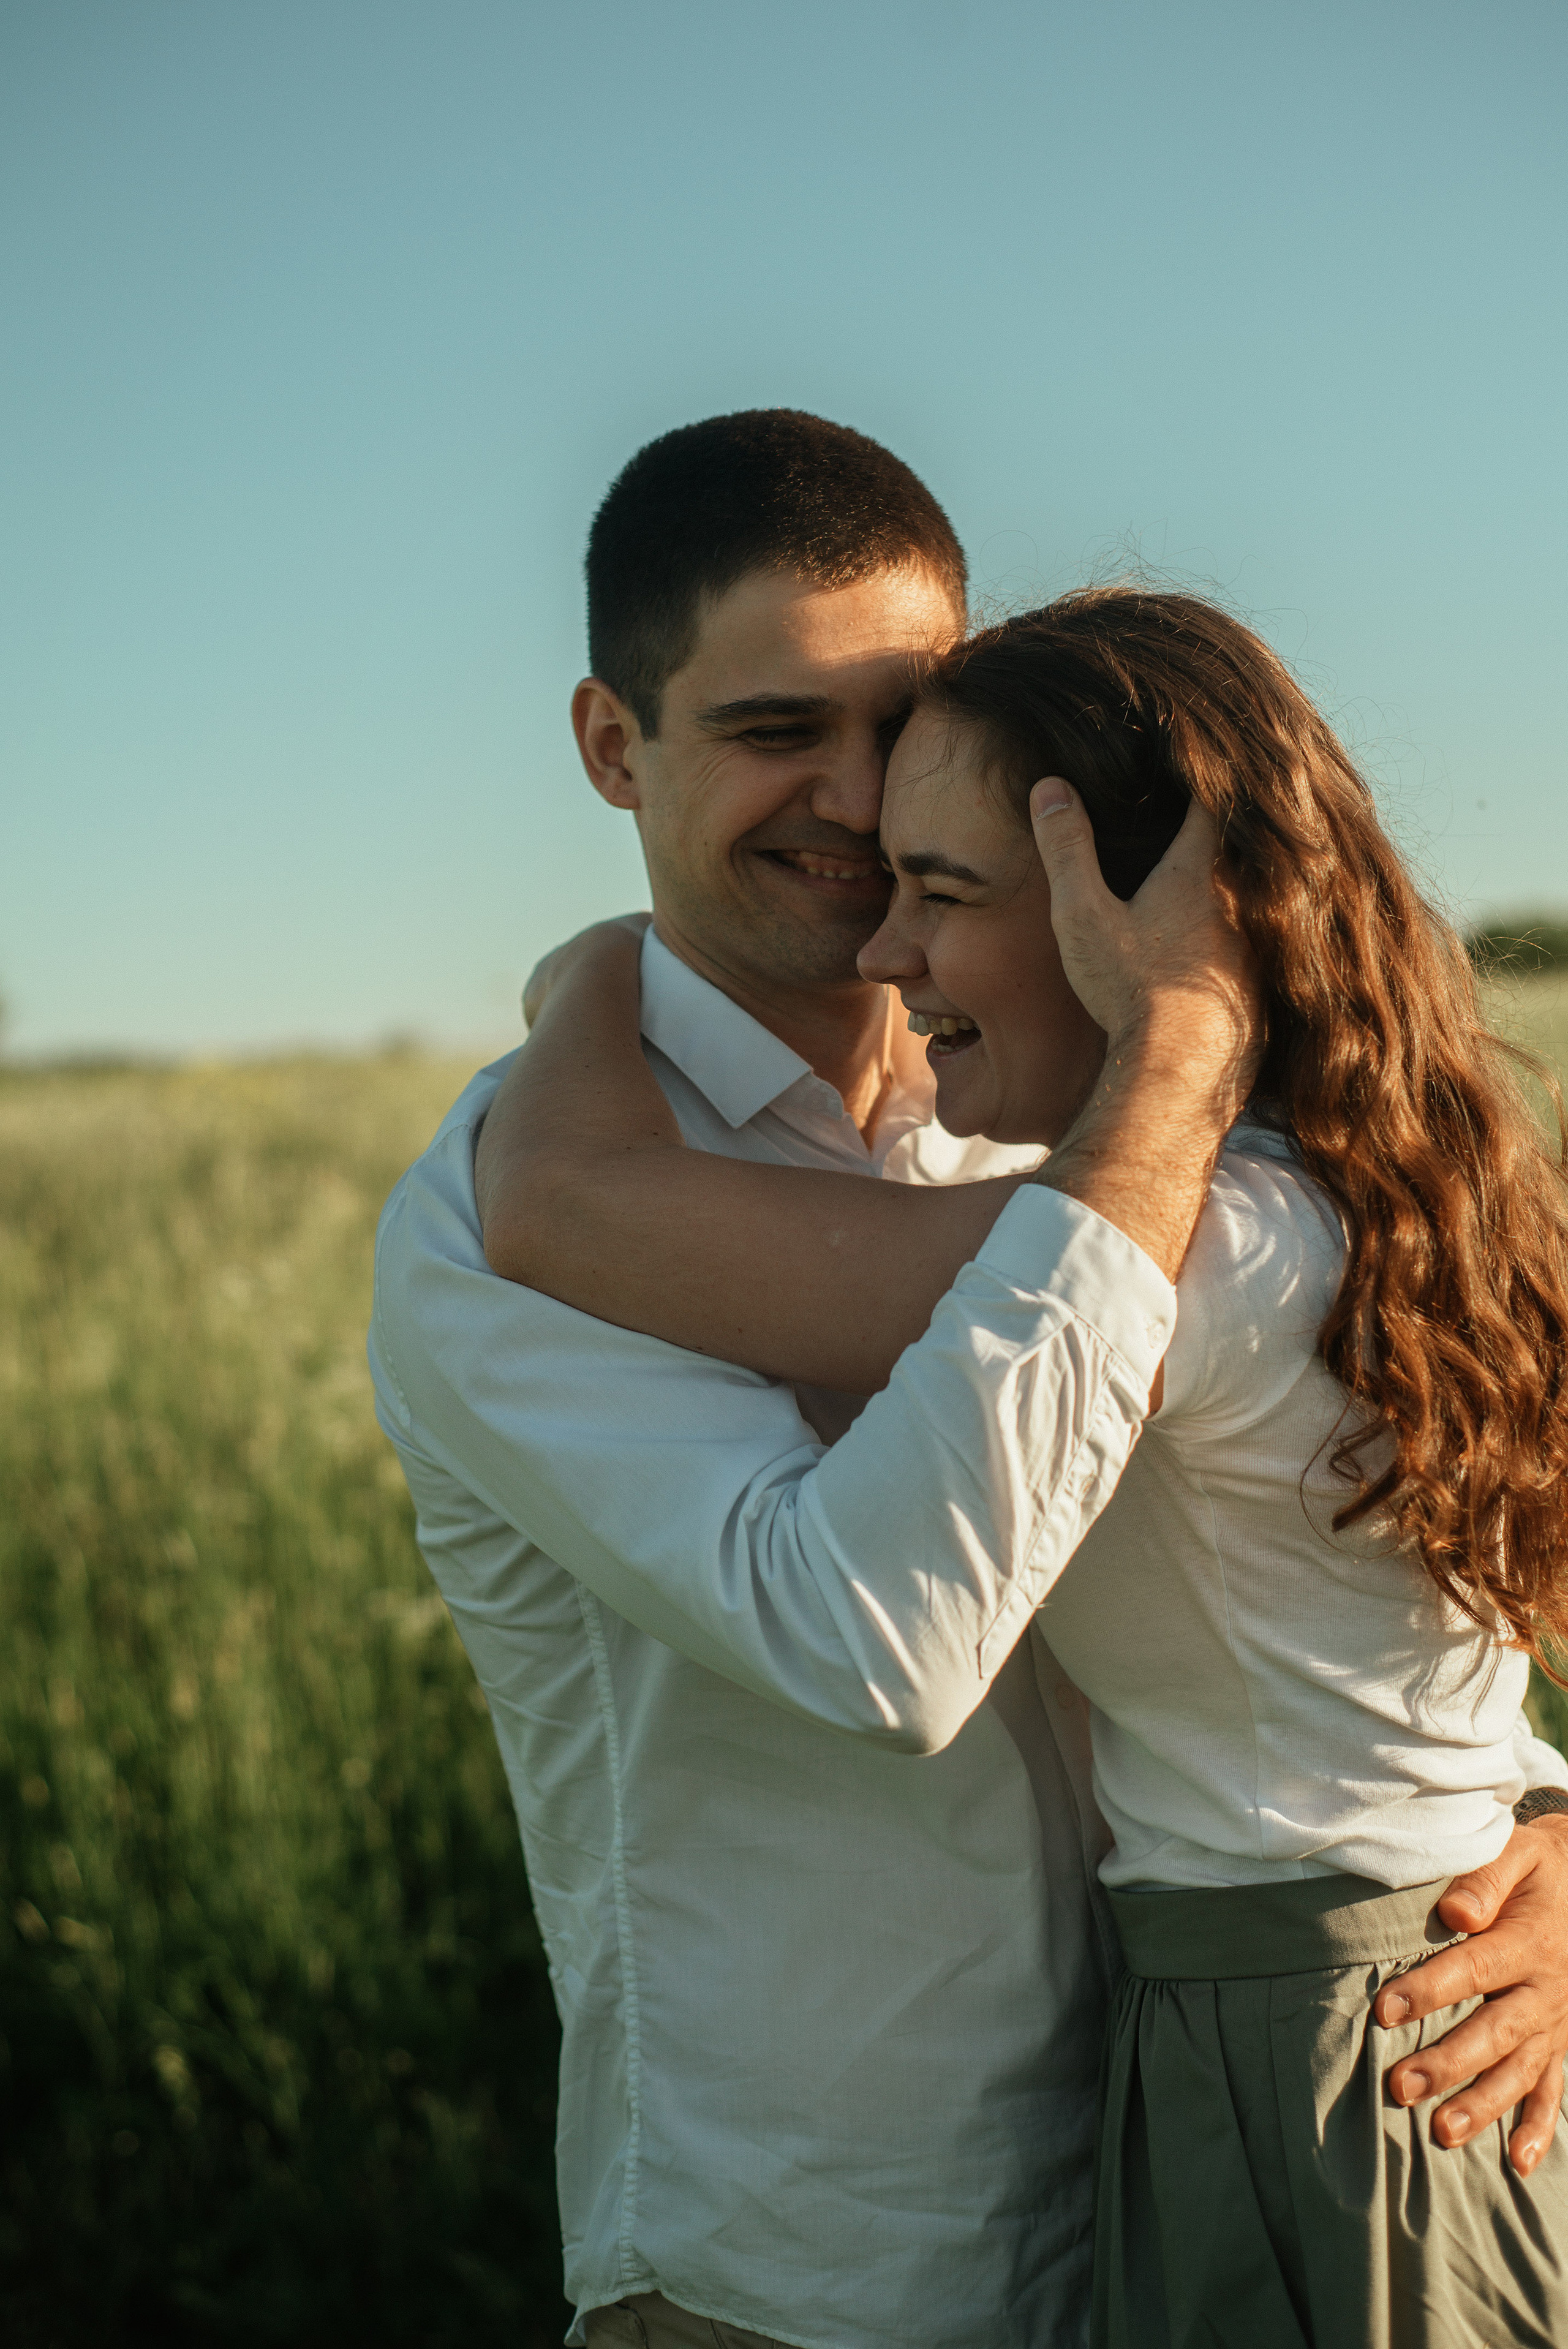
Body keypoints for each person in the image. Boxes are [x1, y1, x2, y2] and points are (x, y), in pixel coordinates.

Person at [369, 413, 1568, 2349]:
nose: (850, 800)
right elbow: (880, 1637)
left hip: (1189, 2171)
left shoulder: (1056, 1132)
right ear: (615, 745)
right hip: (816, 2269)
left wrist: (1534, 1830)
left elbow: (1335, 1539)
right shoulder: (506, 1221)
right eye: (776, 730)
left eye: (898, 722)